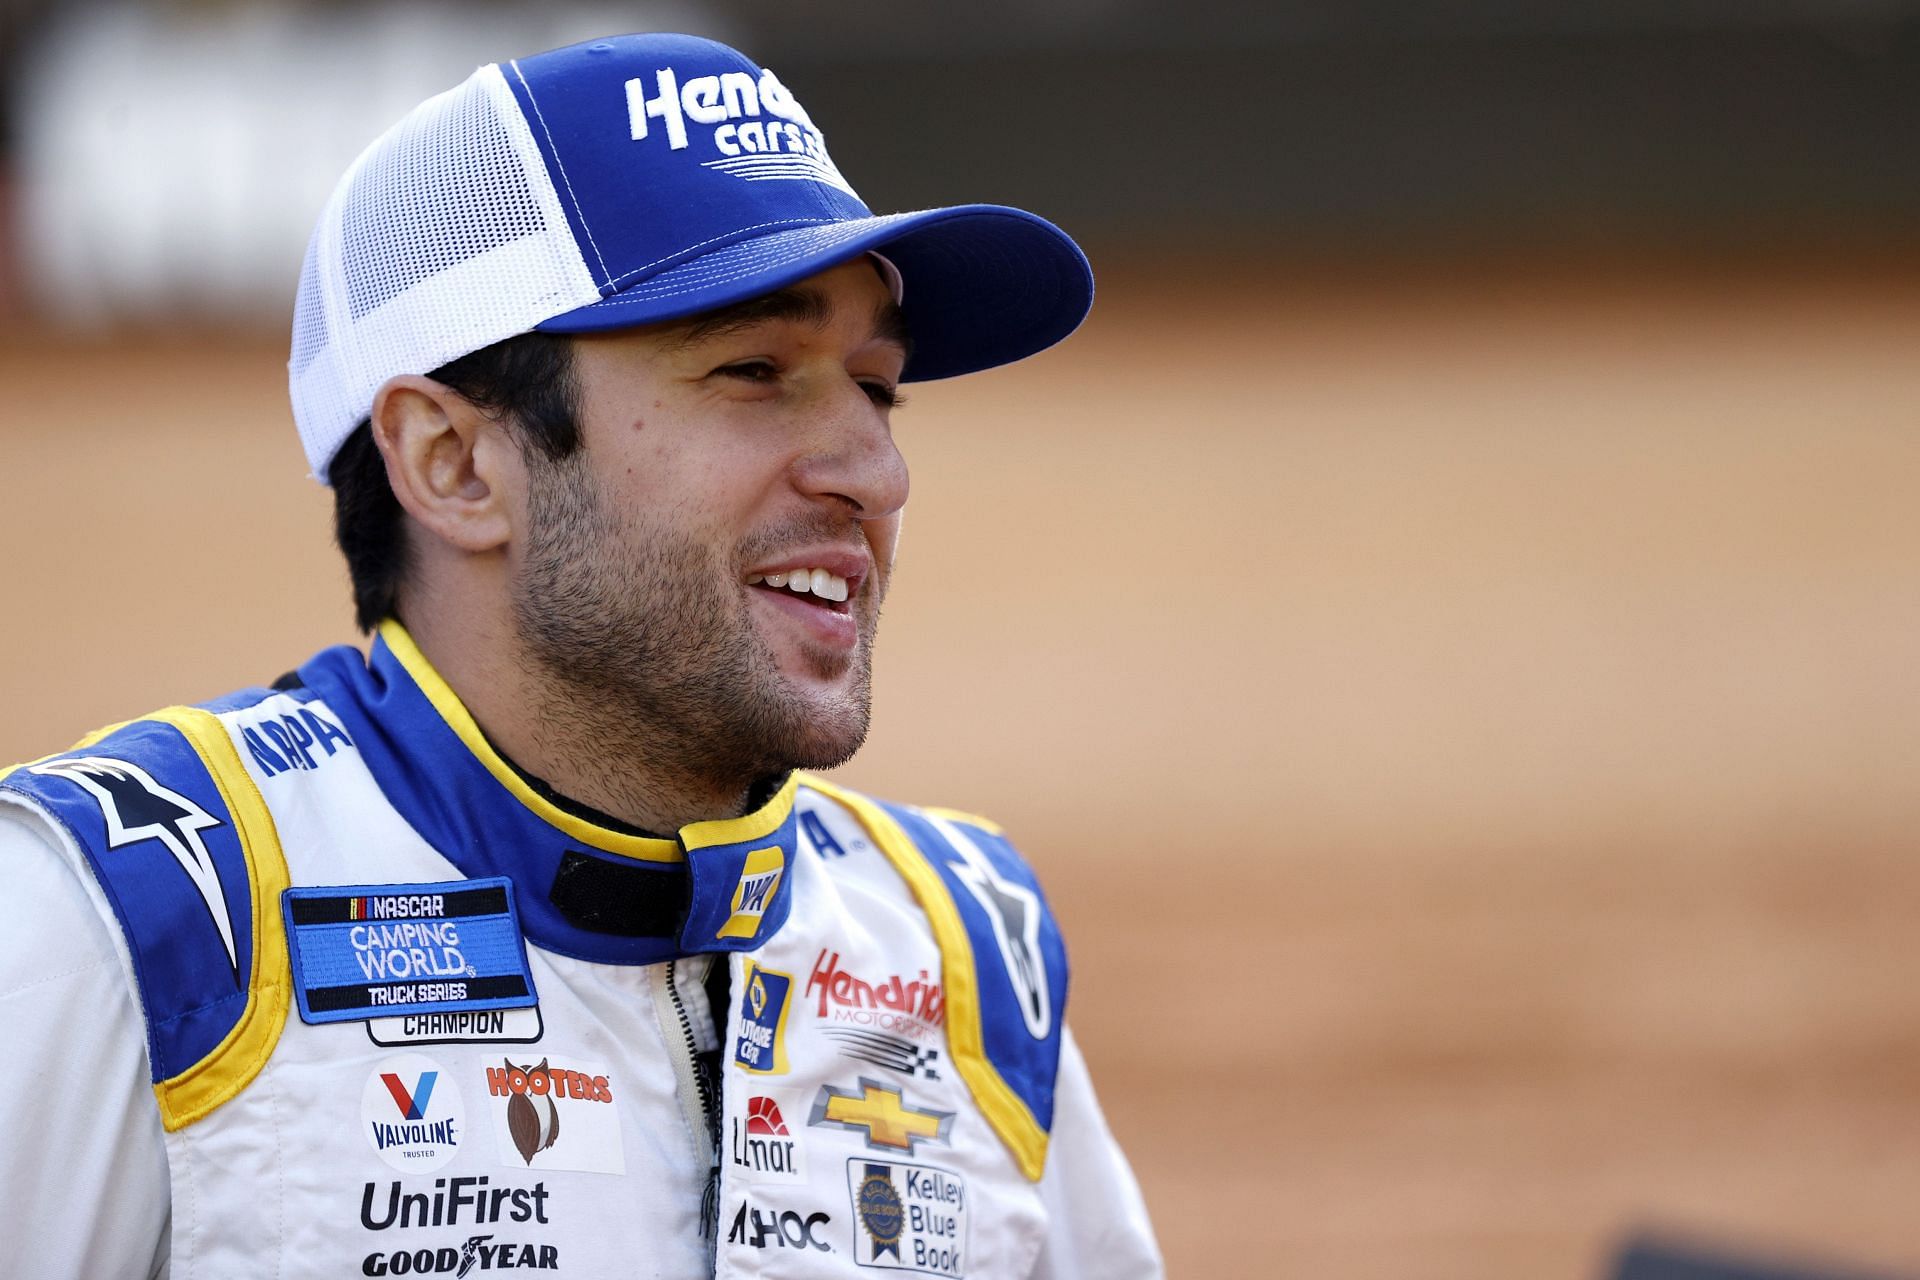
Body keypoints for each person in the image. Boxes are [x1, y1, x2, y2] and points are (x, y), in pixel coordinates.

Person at [0, 30, 1160, 1280]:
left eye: (875, 387)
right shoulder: (133, 919)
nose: (877, 474)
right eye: (755, 370)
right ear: (453, 464)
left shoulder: (965, 954)